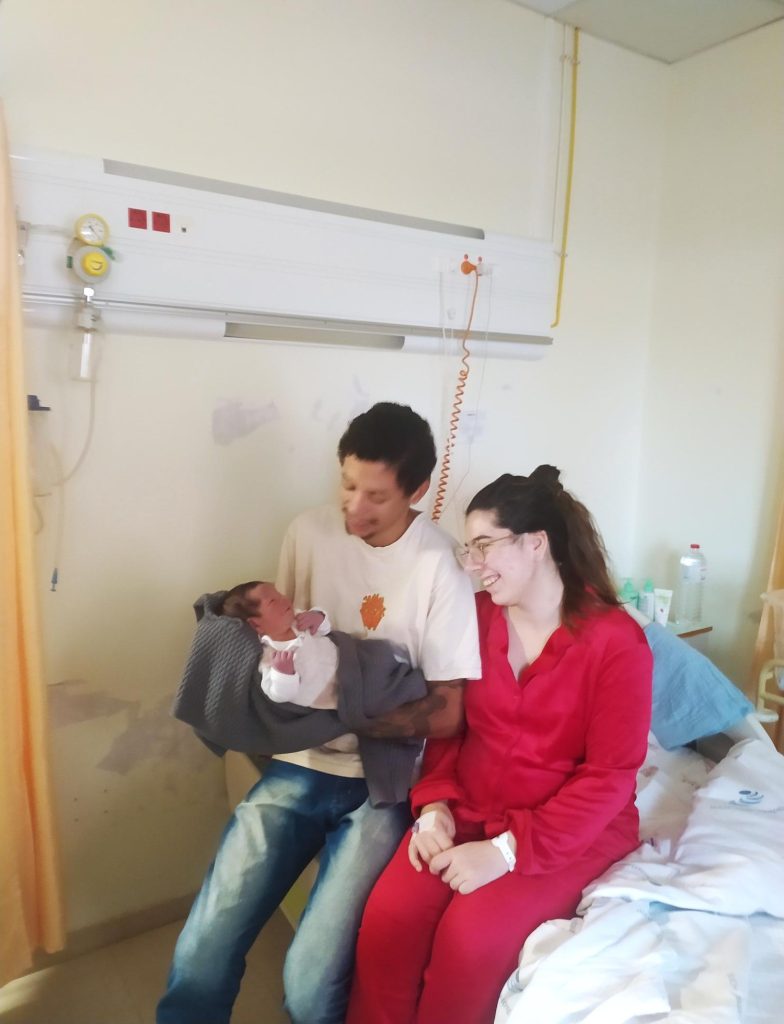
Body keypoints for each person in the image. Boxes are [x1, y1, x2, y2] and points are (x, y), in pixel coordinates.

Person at [157, 402, 481, 1024]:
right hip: (301, 763)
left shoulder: (440, 564)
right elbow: (279, 641)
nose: (354, 507)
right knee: (206, 941)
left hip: (382, 781)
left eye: (376, 496)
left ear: (417, 491)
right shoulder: (307, 533)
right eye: (347, 485)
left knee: (309, 983)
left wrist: (355, 711)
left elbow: (448, 713)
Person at [346, 465, 654, 1024]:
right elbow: (452, 727)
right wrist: (435, 807)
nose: (474, 564)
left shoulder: (617, 642)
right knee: (389, 919)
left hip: (566, 831)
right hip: (470, 808)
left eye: (485, 545)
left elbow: (610, 776)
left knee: (470, 941)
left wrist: (507, 852)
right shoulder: (478, 617)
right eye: (469, 550)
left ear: (536, 543)